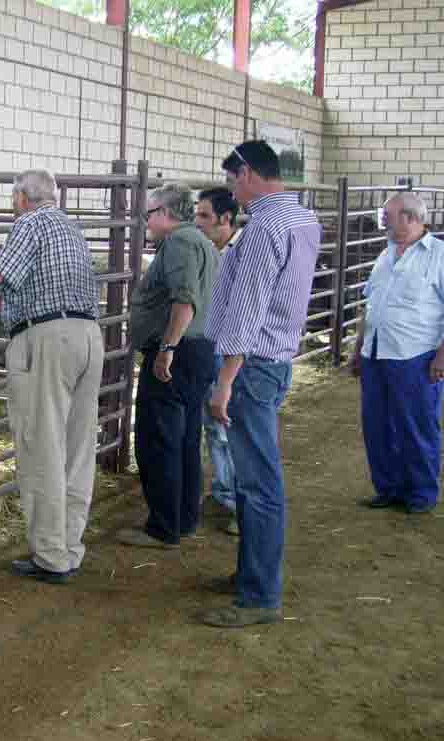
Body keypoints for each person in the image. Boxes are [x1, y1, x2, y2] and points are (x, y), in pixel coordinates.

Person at [0, 169, 104, 584]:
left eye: (12, 198)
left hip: (46, 343)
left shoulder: (28, 224)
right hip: (87, 337)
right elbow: (22, 292)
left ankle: (51, 556)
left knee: (41, 444)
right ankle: (69, 546)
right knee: (77, 445)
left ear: (20, 198)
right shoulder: (70, 227)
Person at [202, 140, 321, 628]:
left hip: (250, 366)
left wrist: (225, 380)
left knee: (256, 481)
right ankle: (251, 574)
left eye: (233, 179)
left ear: (248, 173)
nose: (233, 189)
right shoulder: (302, 220)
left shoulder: (266, 227)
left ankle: (258, 596)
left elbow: (248, 310)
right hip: (274, 359)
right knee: (257, 478)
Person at [117, 184, 218, 550]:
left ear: (165, 213)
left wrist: (167, 348)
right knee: (186, 438)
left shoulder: (179, 243)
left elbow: (184, 299)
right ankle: (183, 519)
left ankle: (163, 527)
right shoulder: (202, 241)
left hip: (179, 352)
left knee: (158, 439)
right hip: (199, 351)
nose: (146, 221)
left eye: (148, 214)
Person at [348, 192, 444, 515]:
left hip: (416, 356)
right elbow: (370, 305)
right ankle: (388, 487)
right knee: (377, 424)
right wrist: (358, 348)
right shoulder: (385, 254)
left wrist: (442, 357)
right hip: (376, 353)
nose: (383, 220)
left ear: (410, 218)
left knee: (416, 424)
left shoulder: (439, 255)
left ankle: (421, 492)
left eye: (387, 215)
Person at [194, 187, 242, 535]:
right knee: (215, 424)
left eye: (204, 216)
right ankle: (225, 490)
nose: (197, 223)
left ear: (226, 219)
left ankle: (242, 505)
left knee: (230, 426)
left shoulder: (240, 255)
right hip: (216, 350)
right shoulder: (216, 251)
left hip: (235, 354)